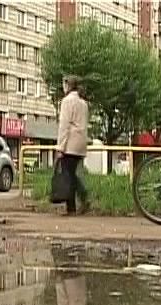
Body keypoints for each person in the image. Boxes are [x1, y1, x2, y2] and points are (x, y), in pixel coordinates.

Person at [57, 75, 89, 215]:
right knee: (71, 174)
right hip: (81, 143)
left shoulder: (67, 101)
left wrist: (60, 147)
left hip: (70, 143)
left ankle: (75, 205)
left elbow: (64, 126)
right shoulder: (83, 103)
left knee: (68, 176)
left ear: (67, 85)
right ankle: (76, 204)